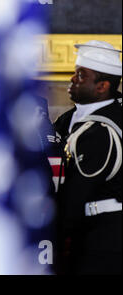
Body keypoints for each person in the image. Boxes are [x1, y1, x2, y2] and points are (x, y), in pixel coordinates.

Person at [54, 40, 122, 274]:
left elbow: (77, 193)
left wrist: (56, 236)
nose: (72, 79)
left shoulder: (100, 131)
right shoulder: (71, 120)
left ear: (102, 86)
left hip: (104, 239)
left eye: (81, 75)